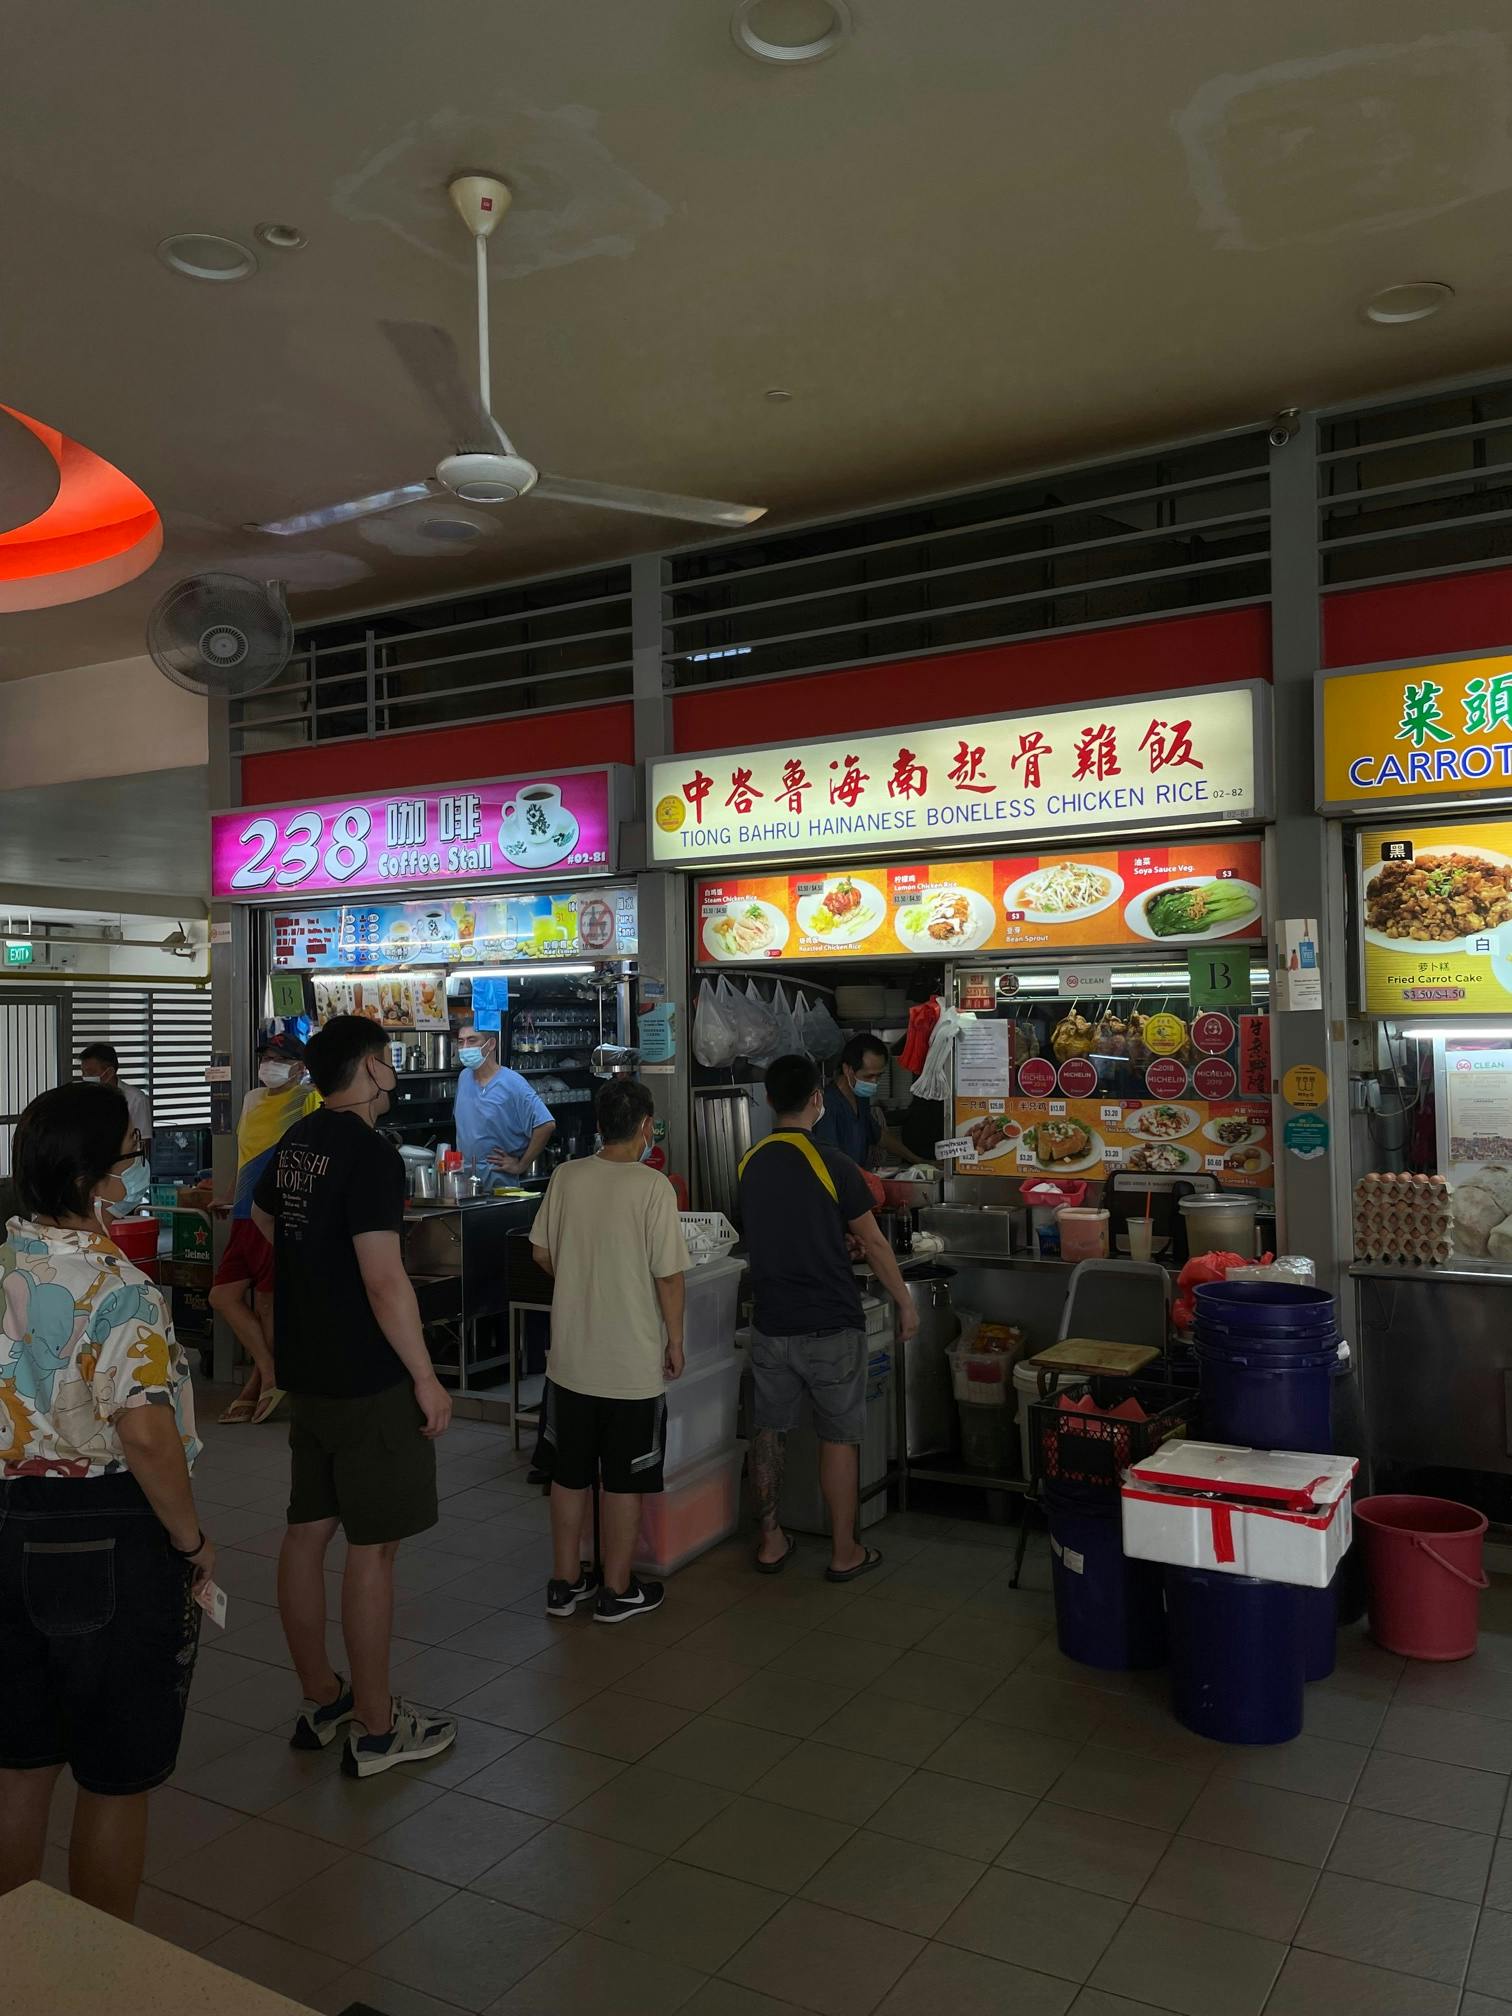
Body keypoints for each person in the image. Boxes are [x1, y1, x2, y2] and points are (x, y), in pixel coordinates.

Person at [0, 1083, 210, 1921]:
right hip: (103, 1537)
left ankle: (17, 1964)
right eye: (130, 1145)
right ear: (98, 1178)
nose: (139, 1157)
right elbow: (148, 1435)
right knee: (115, 1777)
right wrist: (190, 1540)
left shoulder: (6, 1265)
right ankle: (96, 1980)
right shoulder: (119, 1290)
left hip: (6, 1526)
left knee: (20, 1765)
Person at [251, 1014, 456, 1779]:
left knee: (308, 1531)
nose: (393, 1071)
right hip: (370, 1377)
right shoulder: (370, 1155)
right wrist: (427, 1379)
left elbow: (266, 1215)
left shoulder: (299, 1141)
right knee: (373, 1548)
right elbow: (382, 1277)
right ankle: (376, 1728)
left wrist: (314, 1270)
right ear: (371, 1068)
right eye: (387, 1060)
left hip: (309, 1374)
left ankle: (323, 1697)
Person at [738, 1053, 917, 1581]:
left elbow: (780, 1228)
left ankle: (770, 1542)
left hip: (771, 1324)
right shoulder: (832, 1161)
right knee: (839, 1438)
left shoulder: (750, 1161)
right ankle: (844, 1552)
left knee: (769, 1432)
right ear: (817, 1100)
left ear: (769, 1100)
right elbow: (876, 1244)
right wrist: (904, 1303)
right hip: (831, 1324)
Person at [530, 1079, 691, 1623]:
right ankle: (616, 1590)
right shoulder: (653, 1188)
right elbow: (669, 1277)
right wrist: (675, 1338)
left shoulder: (567, 1176)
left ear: (600, 1124)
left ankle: (564, 1581)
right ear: (645, 1126)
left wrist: (581, 1278)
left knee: (569, 1471)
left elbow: (541, 1251)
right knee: (624, 1477)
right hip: (629, 1365)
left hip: (570, 1360)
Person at [210, 1031, 318, 1426]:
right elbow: (245, 1154)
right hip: (242, 1213)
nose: (269, 1064)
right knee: (222, 1296)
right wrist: (227, 1194)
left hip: (276, 1213)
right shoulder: (251, 1099)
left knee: (269, 1304)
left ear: (300, 1067)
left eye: (279, 1057)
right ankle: (271, 1373)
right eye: (266, 1056)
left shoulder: (309, 1100)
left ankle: (259, 1383)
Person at [453, 1019, 555, 1177]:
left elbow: (546, 1124)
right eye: (461, 1042)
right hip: (466, 1178)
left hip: (498, 1180)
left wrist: (521, 1165)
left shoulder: (512, 1083)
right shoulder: (464, 1077)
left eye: (472, 1040)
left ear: (491, 1044)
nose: (465, 1048)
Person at [812, 1032, 889, 1168]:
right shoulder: (827, 1105)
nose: (874, 1082)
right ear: (847, 1069)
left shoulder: (861, 1098)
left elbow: (877, 1135)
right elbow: (831, 1161)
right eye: (869, 1076)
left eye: (879, 1076)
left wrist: (917, 1159)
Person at [79, 1043, 152, 1149]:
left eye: (90, 1073)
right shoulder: (82, 1097)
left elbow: (143, 1142)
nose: (85, 1077)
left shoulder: (136, 1099)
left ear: (109, 1072)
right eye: (83, 1073)